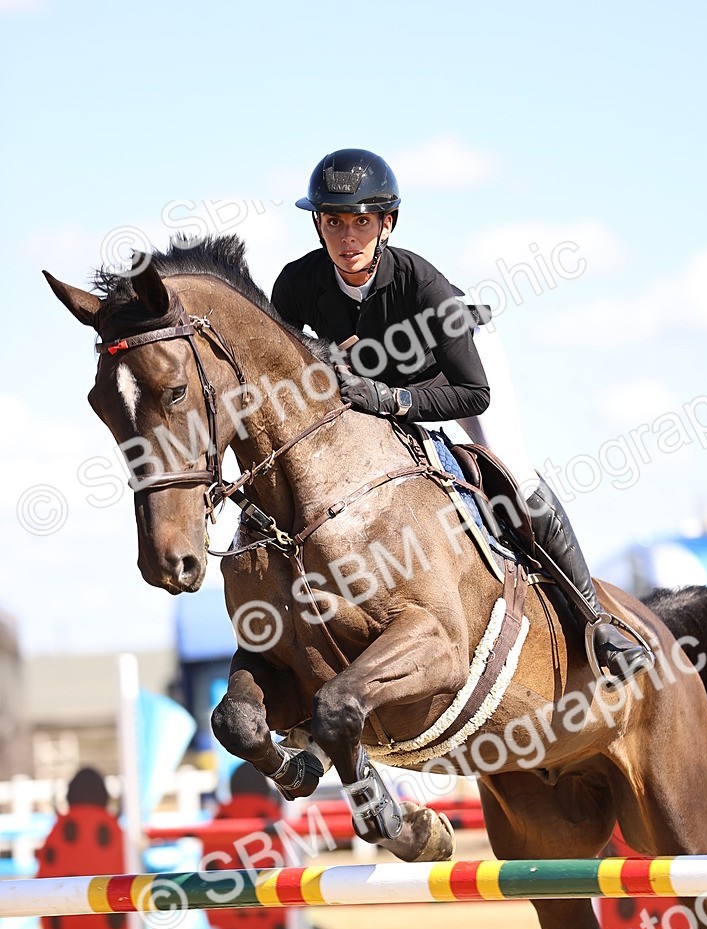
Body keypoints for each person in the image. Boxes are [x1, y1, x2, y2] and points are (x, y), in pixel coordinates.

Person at [271, 148, 650, 681]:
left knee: (512, 473)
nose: (347, 238)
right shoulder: (295, 286)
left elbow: (473, 394)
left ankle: (597, 622)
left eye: (362, 222)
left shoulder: (421, 285)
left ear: (387, 223)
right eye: (333, 222)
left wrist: (391, 400)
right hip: (375, 389)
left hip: (455, 371)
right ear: (318, 224)